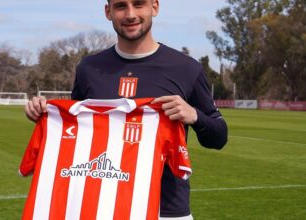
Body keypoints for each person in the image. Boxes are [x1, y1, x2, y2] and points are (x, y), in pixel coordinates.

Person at [25, 0, 228, 219]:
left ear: (154, 7)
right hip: (103, 205)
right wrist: (41, 113)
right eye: (121, 6)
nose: (130, 14)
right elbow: (75, 128)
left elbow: (219, 137)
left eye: (138, 4)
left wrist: (194, 116)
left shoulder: (186, 68)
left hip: (167, 210)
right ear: (108, 12)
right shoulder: (89, 69)